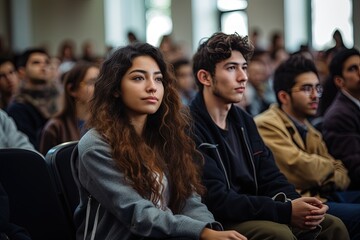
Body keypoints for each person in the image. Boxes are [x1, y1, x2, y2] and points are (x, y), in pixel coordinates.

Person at [71, 42, 247, 240]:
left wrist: (210, 229)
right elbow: (137, 213)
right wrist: (202, 233)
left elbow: (188, 199)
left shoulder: (165, 136)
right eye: (138, 78)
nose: (152, 87)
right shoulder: (96, 144)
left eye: (158, 79)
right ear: (115, 88)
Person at [189, 32, 349, 240]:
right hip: (220, 218)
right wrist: (285, 211)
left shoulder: (244, 120)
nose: (243, 77)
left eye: (244, 67)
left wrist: (297, 203)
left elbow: (270, 175)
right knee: (278, 235)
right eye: (231, 68)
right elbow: (217, 200)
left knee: (332, 225)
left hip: (257, 208)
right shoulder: (190, 126)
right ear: (205, 77)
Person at [254, 54, 360, 239]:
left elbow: (343, 173)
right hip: (301, 202)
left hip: (324, 196)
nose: (315, 96)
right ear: (283, 96)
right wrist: (329, 169)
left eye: (317, 88)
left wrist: (324, 172)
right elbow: (301, 168)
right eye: (306, 88)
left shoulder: (308, 128)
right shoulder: (266, 124)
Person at [39, 62, 99, 155]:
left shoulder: (107, 122)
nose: (98, 87)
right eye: (91, 82)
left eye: (100, 82)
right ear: (72, 89)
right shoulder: (55, 127)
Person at [6, 48, 60, 150]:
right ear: (22, 72)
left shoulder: (59, 100)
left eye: (47, 63)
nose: (43, 66)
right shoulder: (19, 106)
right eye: (36, 63)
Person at [322, 48, 360, 190]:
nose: (359, 72)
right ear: (339, 81)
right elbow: (355, 169)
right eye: (352, 69)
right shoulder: (339, 116)